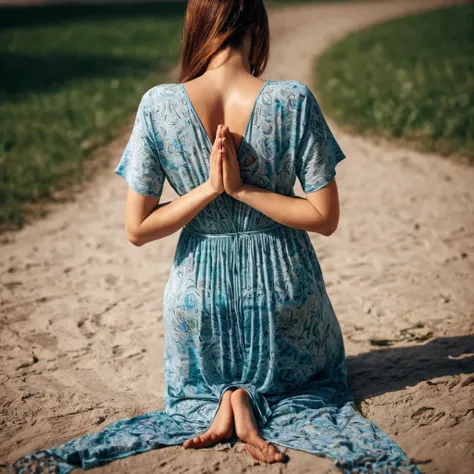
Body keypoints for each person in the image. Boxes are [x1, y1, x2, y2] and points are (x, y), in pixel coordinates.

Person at [2, 1, 422, 473]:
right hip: (282, 292)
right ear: (257, 28)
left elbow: (137, 230)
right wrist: (243, 190)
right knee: (314, 383)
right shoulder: (292, 99)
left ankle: (224, 397)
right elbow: (324, 218)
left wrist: (209, 190)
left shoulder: (158, 104)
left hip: (197, 301)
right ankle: (248, 398)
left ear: (198, 26)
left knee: (192, 388)